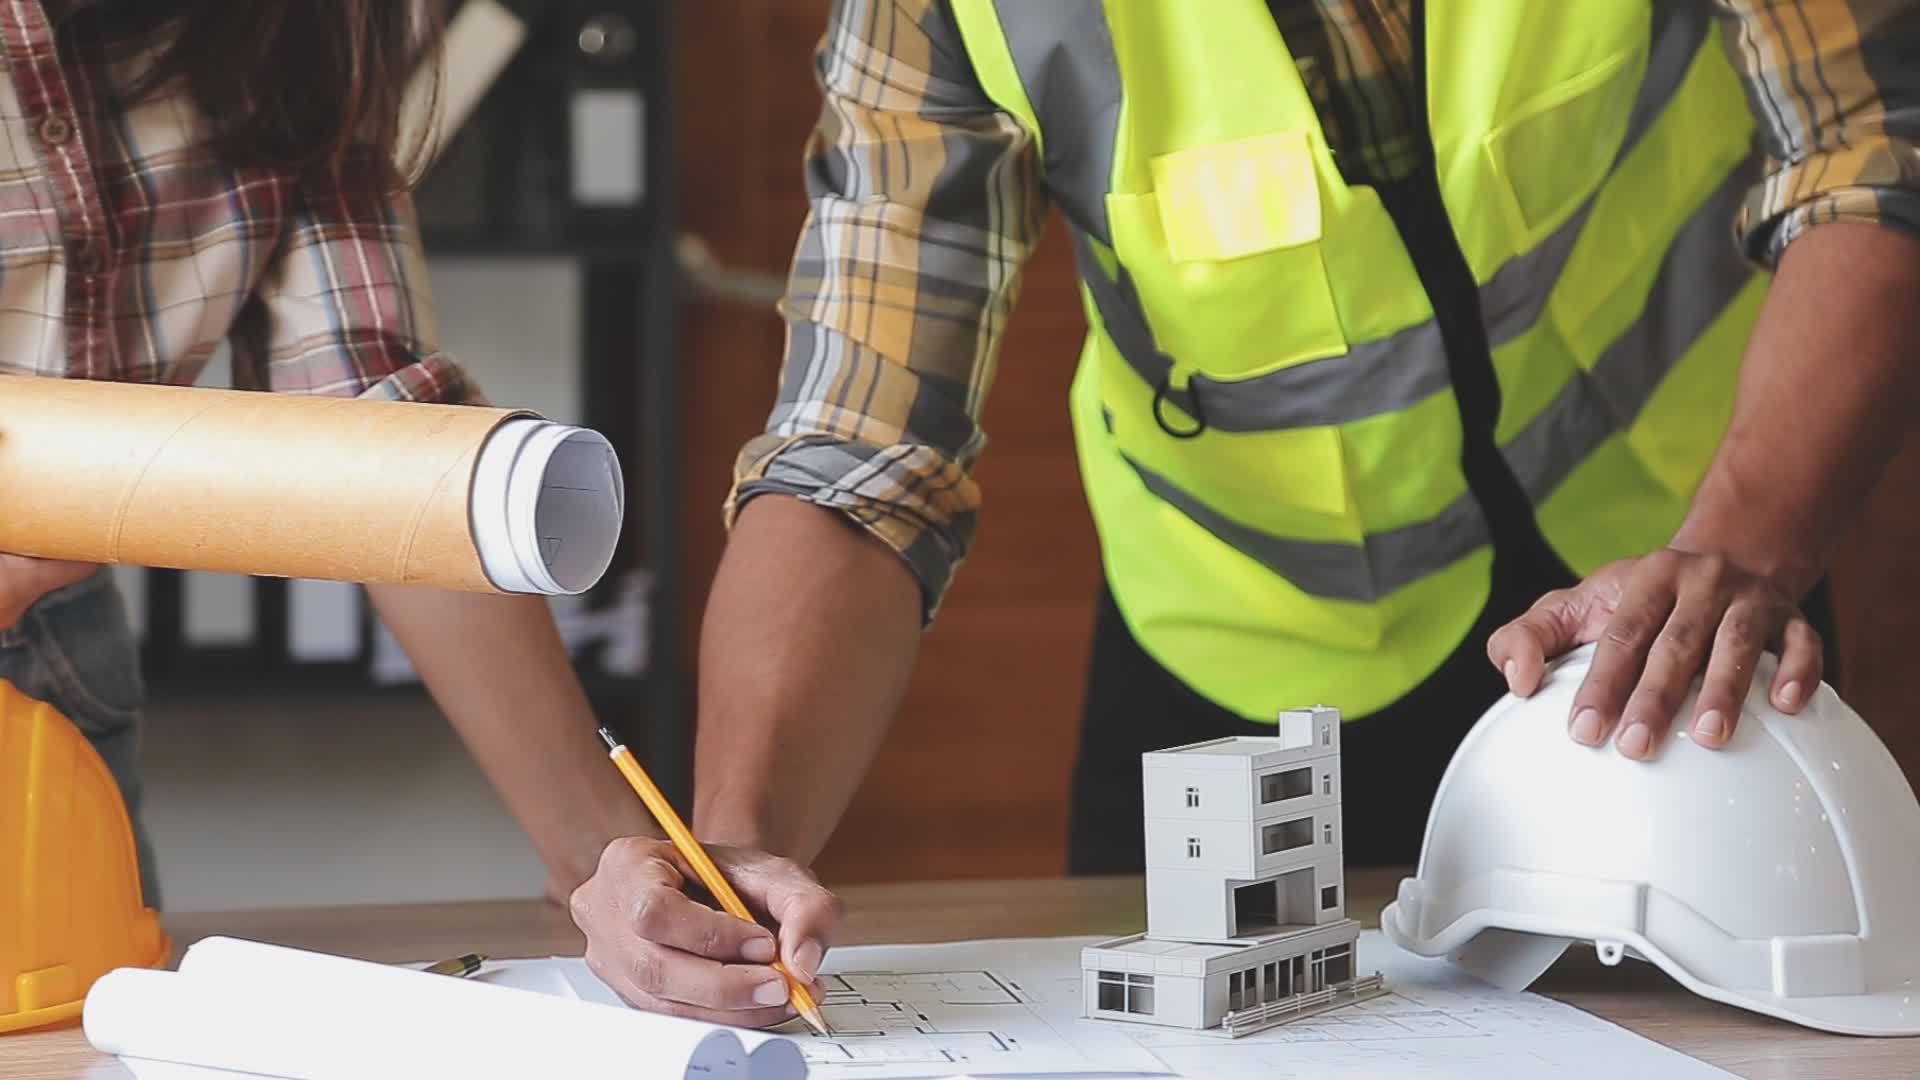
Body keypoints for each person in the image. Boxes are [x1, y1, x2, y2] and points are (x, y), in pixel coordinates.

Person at [563, 0, 1920, 1027]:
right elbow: (857, 450)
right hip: (1241, 660)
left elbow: (1880, 142)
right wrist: (736, 844)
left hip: (1691, 604)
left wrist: (1745, 541)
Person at [0, 0, 661, 913]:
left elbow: (380, 443)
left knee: (75, 1034)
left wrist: (609, 862)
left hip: (50, 660)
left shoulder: (298, 25)